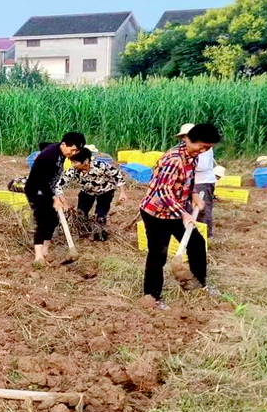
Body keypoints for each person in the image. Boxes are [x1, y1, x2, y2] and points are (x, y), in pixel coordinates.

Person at [139, 123, 222, 310]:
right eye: (203, 146)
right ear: (189, 139)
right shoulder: (173, 159)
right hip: (157, 213)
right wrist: (183, 213)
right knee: (157, 254)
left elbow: (188, 180)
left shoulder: (192, 157)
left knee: (197, 243)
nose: (204, 150)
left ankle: (198, 283)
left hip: (175, 210)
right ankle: (152, 295)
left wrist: (193, 195)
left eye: (208, 148)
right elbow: (163, 191)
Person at [25, 132, 85, 264]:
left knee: (52, 220)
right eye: (72, 149)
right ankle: (38, 257)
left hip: (48, 189)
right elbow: (41, 182)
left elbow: (44, 145)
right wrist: (54, 197)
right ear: (64, 144)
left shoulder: (61, 152)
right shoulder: (49, 157)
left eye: (76, 150)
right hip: (37, 190)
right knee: (42, 220)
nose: (73, 153)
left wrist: (58, 195)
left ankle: (46, 250)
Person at [55, 147, 128, 241]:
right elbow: (59, 185)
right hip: (87, 192)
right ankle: (84, 232)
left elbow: (117, 175)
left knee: (100, 215)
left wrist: (122, 193)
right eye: (72, 162)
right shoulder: (72, 170)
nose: (73, 165)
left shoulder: (101, 166)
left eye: (75, 162)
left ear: (85, 161)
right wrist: (63, 201)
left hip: (105, 191)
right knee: (81, 213)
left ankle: (100, 235)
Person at [182, 123, 218, 238]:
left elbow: (200, 166)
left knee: (202, 209)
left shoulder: (202, 146)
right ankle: (193, 233)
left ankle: (207, 236)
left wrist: (184, 165)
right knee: (190, 208)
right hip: (193, 181)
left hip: (202, 181)